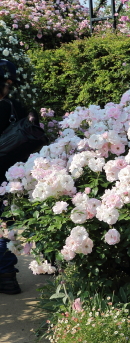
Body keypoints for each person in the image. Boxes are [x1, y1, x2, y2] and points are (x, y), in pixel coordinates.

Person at [0, 59, 40, 294]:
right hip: (14, 176)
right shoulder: (18, 107)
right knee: (9, 224)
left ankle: (5, 274)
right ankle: (8, 278)